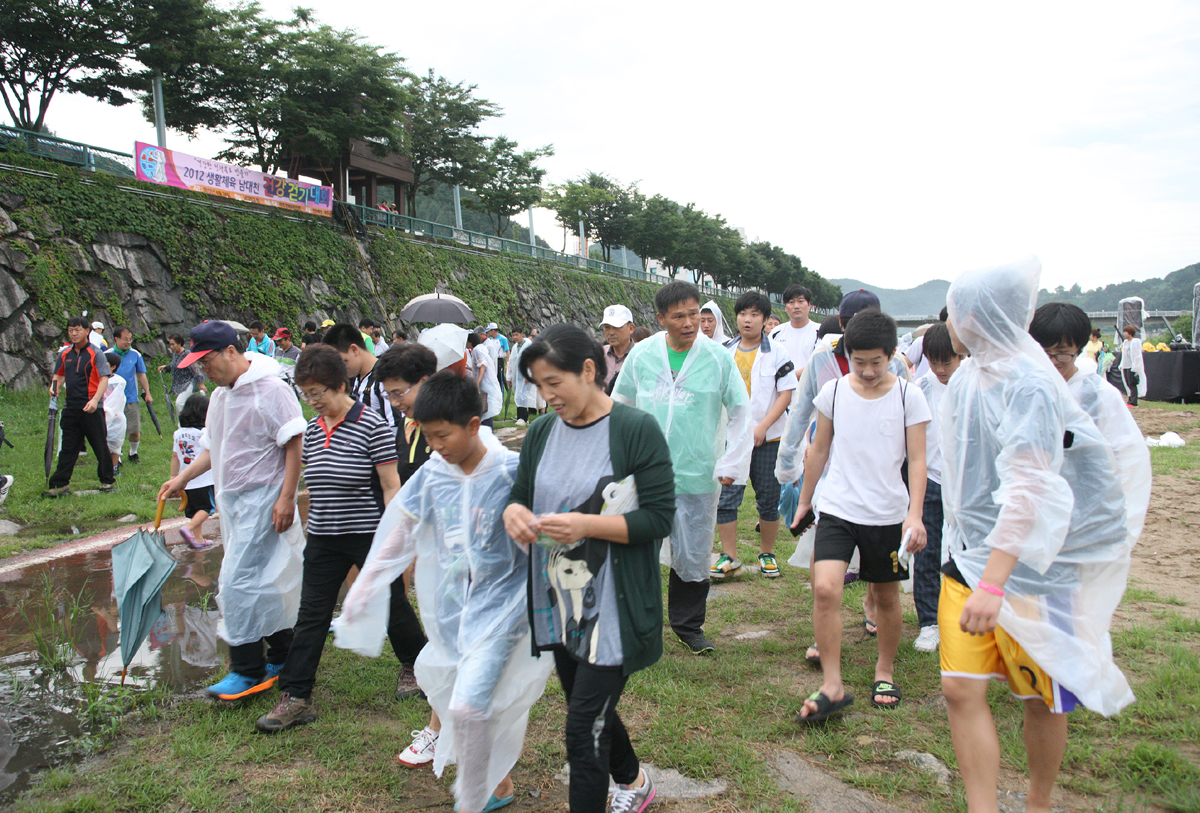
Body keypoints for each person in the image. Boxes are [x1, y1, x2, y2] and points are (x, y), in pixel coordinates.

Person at [939, 259, 1139, 813]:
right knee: (959, 688)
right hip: (967, 559)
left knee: (1041, 699)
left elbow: (1030, 489)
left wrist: (995, 584)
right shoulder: (970, 377)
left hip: (1032, 573)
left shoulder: (1030, 385)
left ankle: (1038, 803)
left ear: (974, 315)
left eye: (954, 311)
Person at [335, 372, 553, 813]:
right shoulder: (435, 474)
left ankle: (471, 799)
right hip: (454, 611)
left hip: (506, 613)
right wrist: (367, 584)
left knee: (473, 708)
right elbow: (401, 530)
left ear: (473, 425)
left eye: (442, 435)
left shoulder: (512, 472)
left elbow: (550, 535)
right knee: (462, 698)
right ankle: (498, 786)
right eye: (426, 436)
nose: (435, 446)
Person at [505, 324, 675, 813]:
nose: (545, 395)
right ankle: (634, 781)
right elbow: (521, 494)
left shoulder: (634, 429)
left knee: (581, 730)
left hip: (613, 607)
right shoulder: (540, 432)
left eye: (553, 382)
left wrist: (588, 524)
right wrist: (513, 511)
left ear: (588, 370)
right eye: (538, 384)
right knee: (589, 707)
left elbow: (659, 518)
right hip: (559, 601)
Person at [255, 345, 403, 733]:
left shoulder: (373, 426)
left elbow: (390, 486)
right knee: (312, 617)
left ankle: (416, 666)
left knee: (392, 602)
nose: (313, 401)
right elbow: (308, 481)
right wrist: (287, 500)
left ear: (341, 385)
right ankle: (296, 697)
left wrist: (396, 532)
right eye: (307, 394)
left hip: (367, 532)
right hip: (322, 535)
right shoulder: (312, 430)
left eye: (318, 392)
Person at [792, 308, 931, 721]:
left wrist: (915, 515)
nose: (868, 371)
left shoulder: (909, 395)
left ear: (892, 355)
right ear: (846, 354)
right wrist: (805, 500)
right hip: (837, 507)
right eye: (859, 362)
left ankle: (884, 670)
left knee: (886, 597)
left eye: (877, 362)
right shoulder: (833, 393)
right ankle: (832, 683)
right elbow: (819, 449)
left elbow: (919, 461)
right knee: (825, 589)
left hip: (887, 513)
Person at [158, 320, 305, 701]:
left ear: (230, 352)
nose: (202, 369)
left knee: (237, 582)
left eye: (206, 361)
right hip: (234, 502)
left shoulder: (272, 390)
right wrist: (182, 479)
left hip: (266, 500)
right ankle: (284, 653)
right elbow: (212, 447)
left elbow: (294, 442)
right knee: (264, 581)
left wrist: (287, 497)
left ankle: (247, 670)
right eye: (197, 363)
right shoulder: (221, 397)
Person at [612, 280, 752, 653]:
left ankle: (689, 626)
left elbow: (741, 411)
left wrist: (732, 460)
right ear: (661, 318)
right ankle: (637, 625)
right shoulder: (642, 355)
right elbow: (620, 403)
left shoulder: (718, 358)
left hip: (697, 469)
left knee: (692, 553)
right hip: (646, 472)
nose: (690, 323)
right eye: (680, 316)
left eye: (695, 314)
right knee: (637, 549)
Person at [713, 291, 796, 580]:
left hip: (768, 438)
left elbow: (786, 394)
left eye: (754, 315)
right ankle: (730, 556)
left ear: (764, 319)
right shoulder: (723, 351)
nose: (747, 320)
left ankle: (767, 554)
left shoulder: (777, 352)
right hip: (732, 438)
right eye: (743, 314)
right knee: (727, 496)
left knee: (768, 499)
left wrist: (762, 426)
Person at [911, 322, 962, 653]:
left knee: (964, 553)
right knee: (927, 553)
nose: (942, 369)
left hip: (965, 484)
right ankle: (929, 622)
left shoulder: (976, 383)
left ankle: (961, 617)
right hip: (930, 480)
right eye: (935, 361)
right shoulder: (921, 388)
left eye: (949, 361)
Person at [44, 317, 115, 497]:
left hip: (92, 406)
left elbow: (104, 378)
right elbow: (58, 375)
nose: (74, 334)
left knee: (99, 444)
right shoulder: (65, 353)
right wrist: (54, 387)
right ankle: (59, 484)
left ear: (86, 331)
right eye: (70, 330)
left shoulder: (95, 353)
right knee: (68, 447)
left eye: (77, 330)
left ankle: (107, 481)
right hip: (71, 407)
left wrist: (94, 400)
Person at [323, 324, 399, 434]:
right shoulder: (357, 378)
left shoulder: (384, 378)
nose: (339, 368)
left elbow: (395, 428)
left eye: (343, 361)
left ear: (354, 350)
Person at [171, 393, 216, 549]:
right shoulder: (203, 433)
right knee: (208, 508)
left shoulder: (178, 433)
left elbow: (175, 456)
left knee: (195, 510)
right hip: (203, 478)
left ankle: (198, 539)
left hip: (186, 480)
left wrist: (173, 477)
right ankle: (188, 529)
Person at [111, 327, 152, 464]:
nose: (128, 342)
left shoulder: (135, 354)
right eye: (125, 339)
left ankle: (133, 453)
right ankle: (117, 456)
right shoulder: (107, 354)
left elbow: (141, 375)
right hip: (112, 399)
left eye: (130, 339)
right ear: (116, 339)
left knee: (134, 430)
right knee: (115, 430)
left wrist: (147, 393)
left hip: (130, 398)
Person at [769, 284, 820, 378]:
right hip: (781, 391)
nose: (796, 306)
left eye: (801, 301)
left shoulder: (820, 332)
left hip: (809, 391)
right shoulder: (776, 333)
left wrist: (788, 378)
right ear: (785, 307)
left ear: (809, 305)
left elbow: (819, 364)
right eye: (791, 302)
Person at [158, 333, 204, 417]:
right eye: (170, 345)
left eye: (173, 344)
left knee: (179, 403)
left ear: (179, 343)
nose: (171, 347)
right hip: (180, 385)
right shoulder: (176, 355)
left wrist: (201, 384)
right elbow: (174, 366)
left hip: (189, 384)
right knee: (187, 405)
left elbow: (196, 370)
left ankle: (183, 424)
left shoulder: (187, 354)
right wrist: (165, 367)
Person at [467, 332, 502, 428]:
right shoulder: (481, 348)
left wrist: (477, 382)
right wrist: (470, 368)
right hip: (488, 383)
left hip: (486, 384)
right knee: (486, 409)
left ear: (470, 342)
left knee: (485, 410)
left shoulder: (477, 351)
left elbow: (483, 365)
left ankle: (488, 432)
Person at [101, 352, 128, 476]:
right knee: (103, 443)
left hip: (116, 417)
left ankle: (114, 466)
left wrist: (108, 411)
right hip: (100, 415)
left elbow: (116, 401)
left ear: (113, 367)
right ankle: (104, 466)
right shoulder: (96, 379)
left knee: (116, 442)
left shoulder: (119, 382)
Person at [600, 304, 636, 394]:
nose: (611, 333)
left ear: (631, 328)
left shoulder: (641, 355)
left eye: (617, 327)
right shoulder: (599, 354)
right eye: (607, 327)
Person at [506, 328, 537, 425]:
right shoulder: (515, 347)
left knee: (524, 396)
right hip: (516, 376)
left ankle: (523, 418)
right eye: (513, 335)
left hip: (525, 375)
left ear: (522, 334)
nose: (515, 337)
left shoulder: (528, 346)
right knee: (518, 395)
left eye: (516, 335)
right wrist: (509, 377)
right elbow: (511, 362)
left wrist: (529, 375)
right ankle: (521, 417)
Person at [1119, 324, 1145, 406]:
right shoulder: (1126, 342)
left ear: (1130, 333)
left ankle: (1134, 401)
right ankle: (1130, 399)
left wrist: (1135, 367)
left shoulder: (1135, 342)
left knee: (1132, 383)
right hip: (1125, 366)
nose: (1124, 334)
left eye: (1125, 332)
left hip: (1131, 366)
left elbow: (1136, 355)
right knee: (1127, 383)